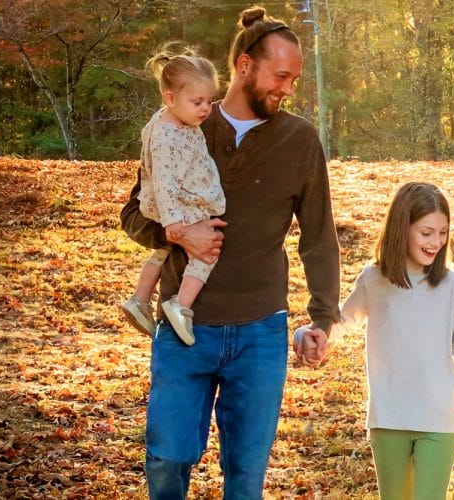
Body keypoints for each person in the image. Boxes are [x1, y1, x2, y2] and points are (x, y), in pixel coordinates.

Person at [119, 7, 341, 499]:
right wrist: (177, 235)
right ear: (245, 65)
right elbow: (134, 215)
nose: (288, 88)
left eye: (295, 79)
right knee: (166, 460)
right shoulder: (181, 125)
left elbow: (320, 238)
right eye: (280, 76)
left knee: (245, 478)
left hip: (260, 332)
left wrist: (322, 319)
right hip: (184, 326)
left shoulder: (300, 141)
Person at [322, 182, 454, 499]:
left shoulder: (452, 285)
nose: (436, 242)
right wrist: (313, 334)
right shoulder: (374, 279)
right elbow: (342, 322)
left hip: (438, 416)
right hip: (389, 416)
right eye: (426, 232)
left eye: (443, 232)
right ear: (401, 228)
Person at [120, 44, 225, 346]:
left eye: (209, 100)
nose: (205, 108)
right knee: (207, 251)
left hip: (161, 205)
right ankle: (181, 305)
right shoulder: (170, 135)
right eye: (197, 101)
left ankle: (140, 299)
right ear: (171, 98)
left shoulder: (168, 119)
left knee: (162, 251)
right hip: (173, 206)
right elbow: (165, 179)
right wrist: (174, 221)